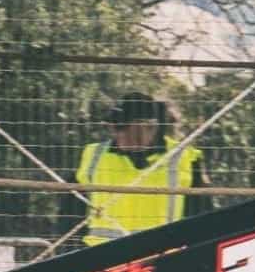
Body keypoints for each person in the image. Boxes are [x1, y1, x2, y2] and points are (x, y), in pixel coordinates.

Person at [72, 92, 208, 245]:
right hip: (103, 258)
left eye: (122, 127)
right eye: (114, 127)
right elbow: (71, 211)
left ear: (149, 127)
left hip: (160, 256)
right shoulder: (93, 155)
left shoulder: (185, 158)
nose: (116, 133)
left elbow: (202, 218)